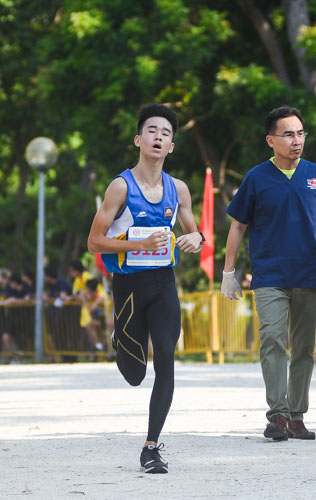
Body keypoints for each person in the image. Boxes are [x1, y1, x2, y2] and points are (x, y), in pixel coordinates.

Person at [88, 103, 204, 473]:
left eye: (166, 133)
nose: (158, 137)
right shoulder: (121, 186)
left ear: (171, 146)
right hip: (129, 286)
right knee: (135, 374)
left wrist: (195, 239)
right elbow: (94, 242)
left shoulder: (179, 189)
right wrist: (136, 245)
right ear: (139, 139)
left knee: (166, 360)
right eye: (152, 131)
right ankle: (121, 339)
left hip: (163, 284)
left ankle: (151, 446)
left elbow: (194, 231)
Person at [220, 105, 316, 442]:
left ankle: (297, 415)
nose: (296, 140)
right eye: (288, 134)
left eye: (301, 133)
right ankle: (277, 414)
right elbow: (238, 227)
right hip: (270, 275)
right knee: (273, 339)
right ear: (271, 140)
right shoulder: (256, 177)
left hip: (309, 273)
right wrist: (228, 272)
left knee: (304, 347)